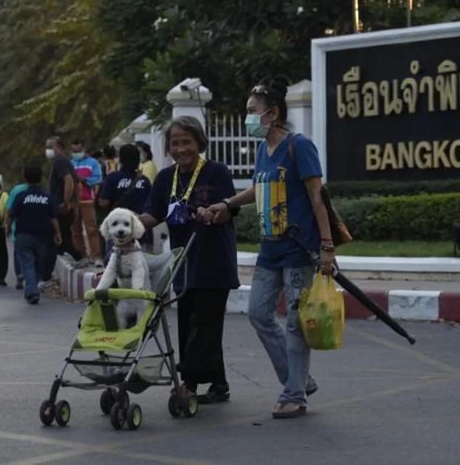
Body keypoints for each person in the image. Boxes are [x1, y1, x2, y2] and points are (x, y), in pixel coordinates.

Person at [199, 78, 334, 419]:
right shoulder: (263, 150)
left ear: (272, 114)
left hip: (298, 249)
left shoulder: (299, 146)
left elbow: (318, 197)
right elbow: (259, 190)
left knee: (294, 323)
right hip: (269, 248)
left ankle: (294, 394)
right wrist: (227, 203)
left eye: (251, 112)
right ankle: (298, 379)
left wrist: (328, 247)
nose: (247, 118)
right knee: (259, 313)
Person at [140, 116, 239, 404]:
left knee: (205, 323)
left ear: (199, 143)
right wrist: (129, 224)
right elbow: (152, 215)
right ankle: (219, 384)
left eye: (187, 142)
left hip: (214, 260)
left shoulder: (216, 172)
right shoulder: (164, 178)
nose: (181, 149)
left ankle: (189, 381)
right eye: (175, 143)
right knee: (188, 322)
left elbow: (229, 209)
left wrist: (214, 212)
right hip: (182, 262)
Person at [6, 165, 62, 305]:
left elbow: (11, 216)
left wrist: (7, 229)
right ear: (41, 178)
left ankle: (31, 291)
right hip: (42, 238)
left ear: (25, 178)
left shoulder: (21, 196)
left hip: (23, 236)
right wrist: (58, 233)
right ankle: (32, 291)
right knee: (37, 265)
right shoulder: (46, 196)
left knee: (27, 264)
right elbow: (53, 217)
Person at [98, 144, 152, 259]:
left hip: (117, 230)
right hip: (138, 230)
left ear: (121, 159)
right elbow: (151, 204)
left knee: (113, 265)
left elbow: (104, 202)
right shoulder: (144, 181)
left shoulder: (112, 178)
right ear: (138, 159)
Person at [45, 136, 83, 264]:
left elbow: (69, 181)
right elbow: (77, 185)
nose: (48, 150)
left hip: (61, 207)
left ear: (59, 147)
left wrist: (66, 201)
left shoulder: (60, 161)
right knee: (64, 238)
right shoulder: (66, 161)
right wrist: (75, 205)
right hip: (67, 207)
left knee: (61, 238)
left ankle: (79, 258)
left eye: (50, 147)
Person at [70, 139, 104, 267]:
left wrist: (85, 180)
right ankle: (82, 256)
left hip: (87, 200)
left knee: (92, 229)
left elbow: (98, 179)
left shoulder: (92, 163)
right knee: (75, 230)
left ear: (83, 149)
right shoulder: (70, 163)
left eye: (78, 150)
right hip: (73, 202)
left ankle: (96, 256)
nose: (76, 153)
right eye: (74, 151)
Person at [5, 177, 30, 290]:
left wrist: (8, 226)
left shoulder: (16, 190)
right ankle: (31, 277)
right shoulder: (40, 191)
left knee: (18, 252)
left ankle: (19, 275)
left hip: (18, 227)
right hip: (37, 228)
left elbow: (9, 209)